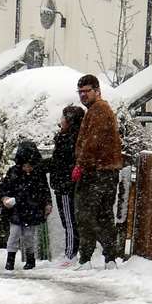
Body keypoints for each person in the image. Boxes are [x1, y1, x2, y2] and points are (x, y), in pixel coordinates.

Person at [72, 73, 126, 266]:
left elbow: (92, 142)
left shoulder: (99, 110)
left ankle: (87, 258)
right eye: (80, 92)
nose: (83, 95)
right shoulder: (99, 109)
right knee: (103, 215)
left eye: (87, 91)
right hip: (105, 171)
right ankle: (109, 258)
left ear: (97, 91)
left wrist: (80, 165)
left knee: (86, 214)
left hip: (97, 172)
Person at [0, 140, 53, 270]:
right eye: (25, 165)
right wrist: (5, 198)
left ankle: (30, 259)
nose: (28, 168)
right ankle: (10, 260)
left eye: (30, 166)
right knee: (14, 234)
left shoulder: (38, 174)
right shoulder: (13, 172)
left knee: (29, 236)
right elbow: (4, 187)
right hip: (16, 209)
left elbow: (45, 190)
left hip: (32, 208)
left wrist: (48, 203)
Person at [50, 104, 84, 264]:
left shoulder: (69, 139)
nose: (60, 121)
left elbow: (60, 163)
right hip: (65, 185)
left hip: (66, 186)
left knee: (70, 222)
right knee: (71, 221)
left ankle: (70, 255)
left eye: (63, 117)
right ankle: (72, 253)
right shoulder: (71, 138)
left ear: (69, 120)